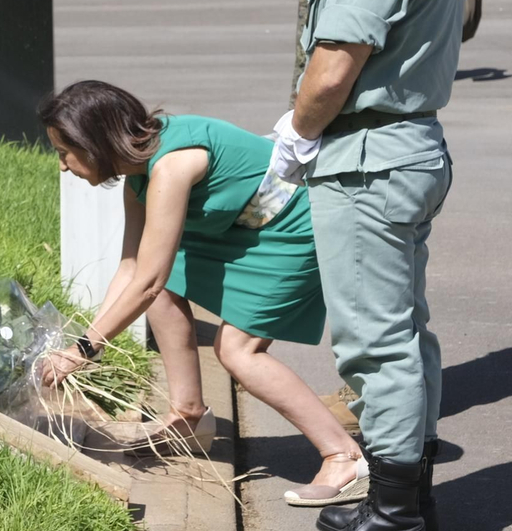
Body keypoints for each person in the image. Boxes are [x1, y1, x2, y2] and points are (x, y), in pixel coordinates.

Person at [270, 0, 463, 531]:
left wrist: (297, 130)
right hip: (404, 149)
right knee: (405, 335)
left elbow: (331, 70)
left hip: (368, 160)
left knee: (375, 346)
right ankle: (409, 501)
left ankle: (392, 523)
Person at [37, 81, 367, 507]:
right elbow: (133, 268)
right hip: (242, 229)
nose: (63, 166)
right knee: (161, 279)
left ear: (95, 142)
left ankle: (343, 457)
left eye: (65, 152)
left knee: (238, 351)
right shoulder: (138, 178)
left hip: (291, 229)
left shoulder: (172, 165)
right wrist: (82, 343)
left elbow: (147, 280)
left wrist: (84, 349)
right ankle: (188, 416)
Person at [269, 0, 362, 437]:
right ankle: (369, 393)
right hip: (321, 99)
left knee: (359, 263)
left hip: (344, 109)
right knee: (347, 260)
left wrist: (310, 117)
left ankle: (367, 405)